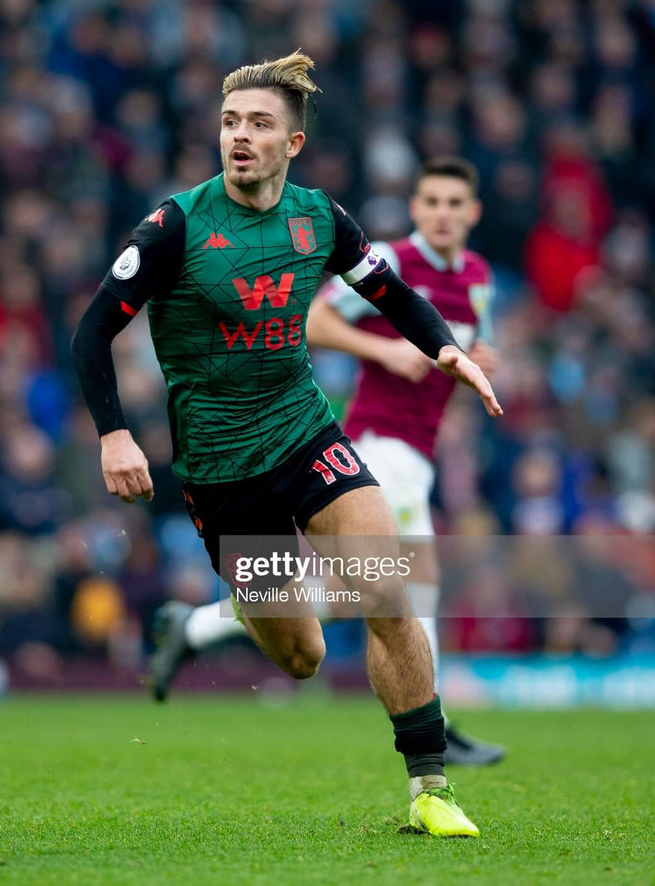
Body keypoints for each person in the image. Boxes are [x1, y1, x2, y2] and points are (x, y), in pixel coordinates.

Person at [72, 52, 501, 837]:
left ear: (292, 143)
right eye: (231, 121)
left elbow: (390, 293)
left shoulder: (319, 218)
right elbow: (92, 329)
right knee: (300, 656)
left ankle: (431, 789)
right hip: (223, 473)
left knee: (386, 588)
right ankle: (227, 608)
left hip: (307, 431)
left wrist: (444, 348)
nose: (240, 136)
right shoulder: (176, 225)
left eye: (259, 124)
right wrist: (114, 436)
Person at [151, 156, 506, 766]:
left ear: (473, 213)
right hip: (373, 444)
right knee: (407, 587)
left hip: (418, 452)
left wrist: (479, 361)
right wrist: (387, 353)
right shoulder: (391, 259)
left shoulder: (477, 278)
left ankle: (202, 624)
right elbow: (314, 319)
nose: (443, 214)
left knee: (357, 594)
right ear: (416, 208)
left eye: (455, 204)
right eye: (432, 202)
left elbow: (474, 342)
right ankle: (434, 732)